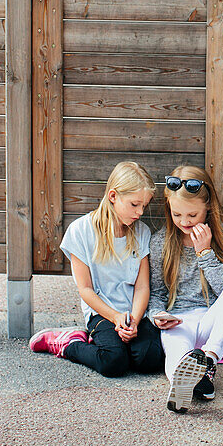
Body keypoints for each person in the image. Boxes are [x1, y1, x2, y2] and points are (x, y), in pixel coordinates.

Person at [29, 161, 163, 377]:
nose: (140, 213)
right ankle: (69, 344)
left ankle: (120, 342)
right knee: (113, 362)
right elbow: (86, 290)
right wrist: (115, 318)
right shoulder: (81, 231)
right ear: (113, 196)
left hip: (135, 313)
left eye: (144, 206)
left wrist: (135, 320)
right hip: (102, 311)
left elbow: (142, 287)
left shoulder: (141, 232)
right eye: (134, 204)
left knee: (150, 359)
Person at [148, 165, 223, 413]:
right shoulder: (161, 241)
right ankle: (187, 386)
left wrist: (205, 253)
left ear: (208, 207)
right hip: (179, 319)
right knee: (176, 352)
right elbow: (157, 294)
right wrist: (157, 316)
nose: (184, 222)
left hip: (215, 322)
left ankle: (210, 359)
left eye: (192, 215)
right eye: (177, 215)